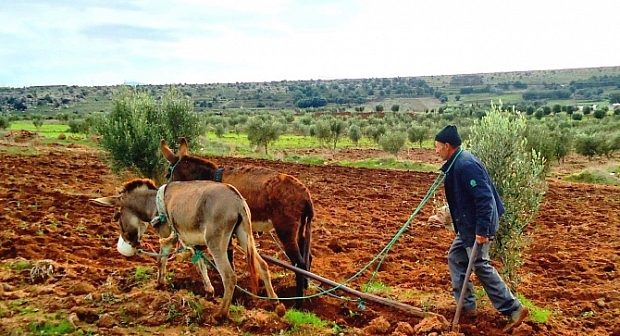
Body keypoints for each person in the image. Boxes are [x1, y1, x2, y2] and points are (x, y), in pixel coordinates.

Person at [433, 125, 529, 333]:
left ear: (447, 146)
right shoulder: (455, 163)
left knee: (480, 264)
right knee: (456, 257)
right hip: (467, 225)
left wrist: (483, 230)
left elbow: (484, 199)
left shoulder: (466, 165)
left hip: (478, 225)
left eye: (437, 147)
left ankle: (513, 308)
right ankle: (467, 307)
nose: (436, 150)